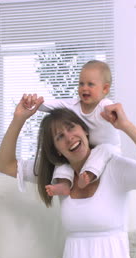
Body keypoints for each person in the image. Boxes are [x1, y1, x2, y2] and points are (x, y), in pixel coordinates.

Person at [0, 94, 136, 258]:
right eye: (60, 136)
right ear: (57, 149)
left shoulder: (113, 166)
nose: (69, 137)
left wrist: (126, 126)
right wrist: (19, 118)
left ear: (85, 131)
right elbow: (5, 165)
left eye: (71, 128)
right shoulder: (58, 175)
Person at [33, 60, 122, 196]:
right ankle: (63, 183)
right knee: (65, 160)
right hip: (88, 150)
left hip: (110, 151)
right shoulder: (74, 104)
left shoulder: (105, 105)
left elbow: (116, 113)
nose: (84, 88)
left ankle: (89, 175)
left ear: (105, 89)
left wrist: (114, 115)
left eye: (90, 84)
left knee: (103, 149)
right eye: (81, 84)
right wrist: (35, 104)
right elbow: (54, 105)